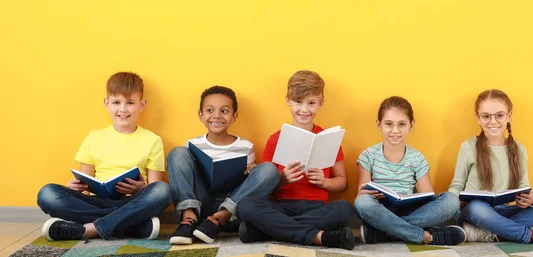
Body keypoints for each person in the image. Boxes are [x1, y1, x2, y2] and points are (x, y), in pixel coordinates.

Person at [37, 71, 172, 241]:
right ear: (107, 103)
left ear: (142, 104)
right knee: (47, 193)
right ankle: (131, 225)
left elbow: (155, 187)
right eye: (116, 102)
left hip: (132, 202)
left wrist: (140, 188)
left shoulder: (153, 140)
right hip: (96, 201)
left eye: (130, 103)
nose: (123, 109)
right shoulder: (94, 137)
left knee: (163, 191)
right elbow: (85, 183)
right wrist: (75, 189)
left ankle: (89, 229)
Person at [237, 70, 355, 250]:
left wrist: (324, 182)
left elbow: (342, 183)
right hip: (283, 206)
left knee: (345, 208)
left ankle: (265, 231)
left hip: (316, 208)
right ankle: (319, 237)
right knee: (246, 205)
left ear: (320, 103)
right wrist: (282, 180)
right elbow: (262, 187)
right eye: (298, 102)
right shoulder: (275, 139)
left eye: (311, 103)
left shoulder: (330, 139)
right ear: (288, 100)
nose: (304, 109)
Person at [449, 89, 533, 244]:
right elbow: (457, 185)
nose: (493, 122)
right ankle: (530, 235)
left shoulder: (519, 150)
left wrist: (530, 199)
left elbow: (524, 186)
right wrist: (454, 201)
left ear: (509, 116)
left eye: (499, 115)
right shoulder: (468, 147)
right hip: (477, 212)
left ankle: (491, 232)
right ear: (478, 119)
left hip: (504, 211)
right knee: (477, 207)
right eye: (486, 116)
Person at [167, 85, 280, 244]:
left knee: (269, 169)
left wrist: (252, 171)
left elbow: (251, 183)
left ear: (234, 116)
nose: (217, 116)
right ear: (200, 115)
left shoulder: (246, 146)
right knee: (177, 152)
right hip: (201, 204)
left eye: (224, 111)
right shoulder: (192, 145)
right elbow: (186, 178)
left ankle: (220, 218)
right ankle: (188, 217)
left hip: (232, 208)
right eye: (210, 110)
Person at [354, 96, 466, 245]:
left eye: (402, 124)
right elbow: (361, 196)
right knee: (362, 203)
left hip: (411, 211)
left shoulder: (417, 158)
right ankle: (424, 236)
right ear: (379, 124)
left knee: (452, 201)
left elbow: (427, 195)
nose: (395, 130)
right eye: (389, 124)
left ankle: (385, 232)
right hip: (380, 211)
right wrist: (363, 194)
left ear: (411, 124)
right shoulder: (368, 156)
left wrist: (406, 197)